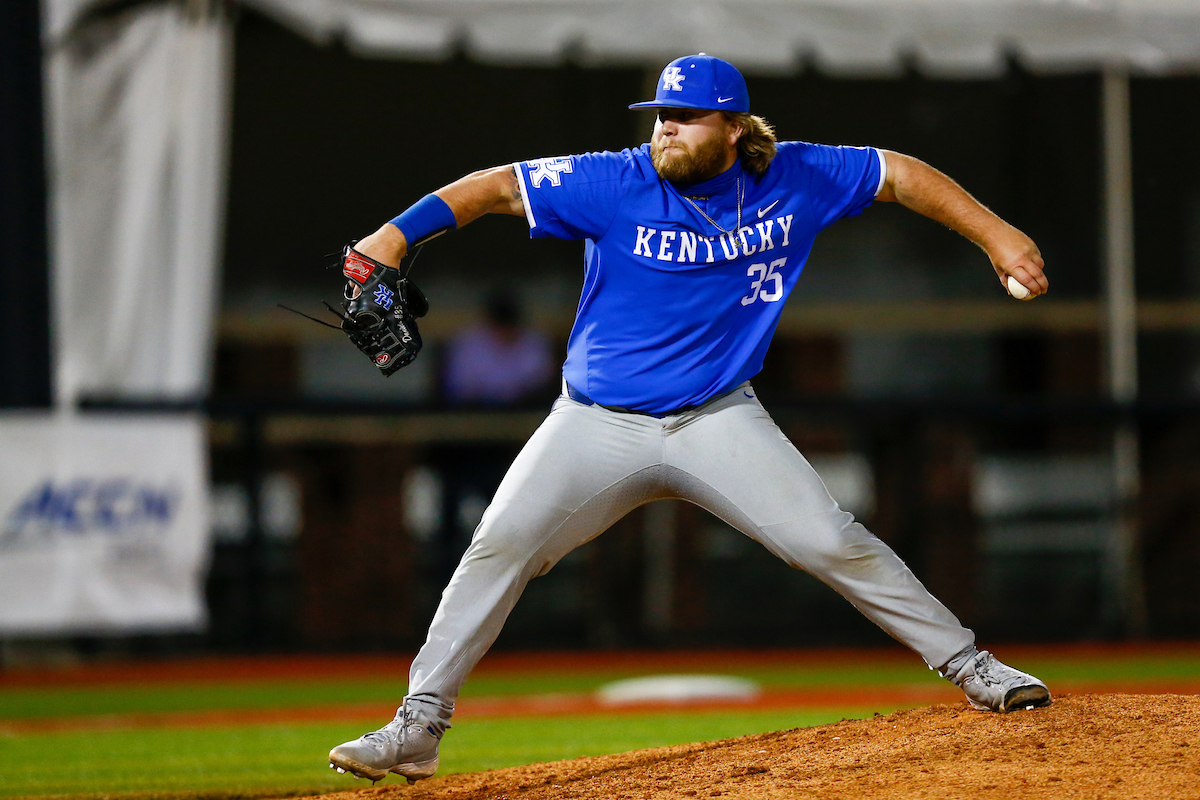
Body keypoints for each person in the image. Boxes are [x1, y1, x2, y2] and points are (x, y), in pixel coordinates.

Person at [327, 53, 1052, 785]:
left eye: (684, 117)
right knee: (499, 545)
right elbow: (494, 189)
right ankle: (419, 726)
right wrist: (393, 236)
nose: (665, 129)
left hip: (717, 420)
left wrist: (996, 234)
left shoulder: (795, 176)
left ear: (733, 128)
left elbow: (898, 172)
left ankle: (970, 664)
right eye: (660, 116)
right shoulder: (615, 179)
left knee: (830, 540)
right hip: (595, 422)